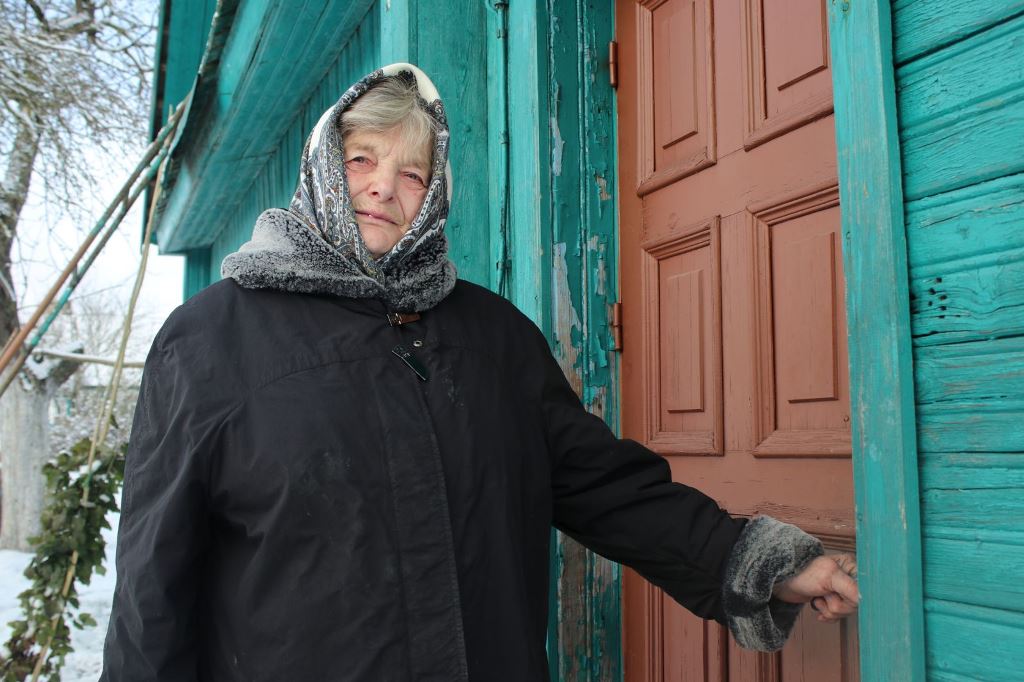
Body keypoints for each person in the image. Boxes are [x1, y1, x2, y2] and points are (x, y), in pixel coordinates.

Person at [101, 64, 858, 681]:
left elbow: (605, 487)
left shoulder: (492, 337)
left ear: (434, 196)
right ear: (322, 167)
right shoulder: (212, 339)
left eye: (412, 172)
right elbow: (153, 578)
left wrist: (751, 562)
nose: (382, 186)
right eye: (361, 159)